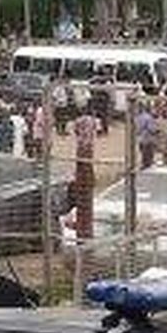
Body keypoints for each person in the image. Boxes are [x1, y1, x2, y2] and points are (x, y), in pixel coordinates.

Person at [73, 100, 97, 241]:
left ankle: (82, 173)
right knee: (88, 163)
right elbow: (94, 131)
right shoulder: (92, 120)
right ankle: (87, 174)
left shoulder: (78, 121)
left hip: (80, 145)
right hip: (89, 146)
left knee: (81, 162)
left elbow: (76, 132)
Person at [135, 103, 157, 169]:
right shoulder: (148, 117)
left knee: (143, 152)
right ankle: (147, 164)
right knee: (148, 152)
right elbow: (151, 129)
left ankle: (144, 164)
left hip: (140, 137)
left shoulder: (137, 117)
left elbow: (137, 128)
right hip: (147, 137)